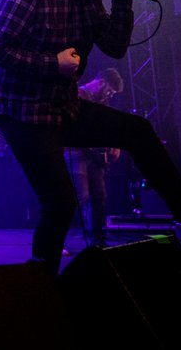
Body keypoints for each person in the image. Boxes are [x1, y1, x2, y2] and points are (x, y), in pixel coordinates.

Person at [0, 0, 181, 276]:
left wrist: (121, 1)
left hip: (64, 107)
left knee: (137, 130)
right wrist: (52, 63)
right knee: (59, 201)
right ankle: (40, 283)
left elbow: (114, 47)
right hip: (25, 114)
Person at [69, 68, 125, 248]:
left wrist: (115, 144)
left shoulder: (103, 102)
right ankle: (57, 238)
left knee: (99, 196)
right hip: (77, 152)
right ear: (100, 83)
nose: (109, 95)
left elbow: (108, 126)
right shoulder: (77, 95)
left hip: (95, 156)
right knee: (81, 195)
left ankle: (98, 240)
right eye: (109, 91)